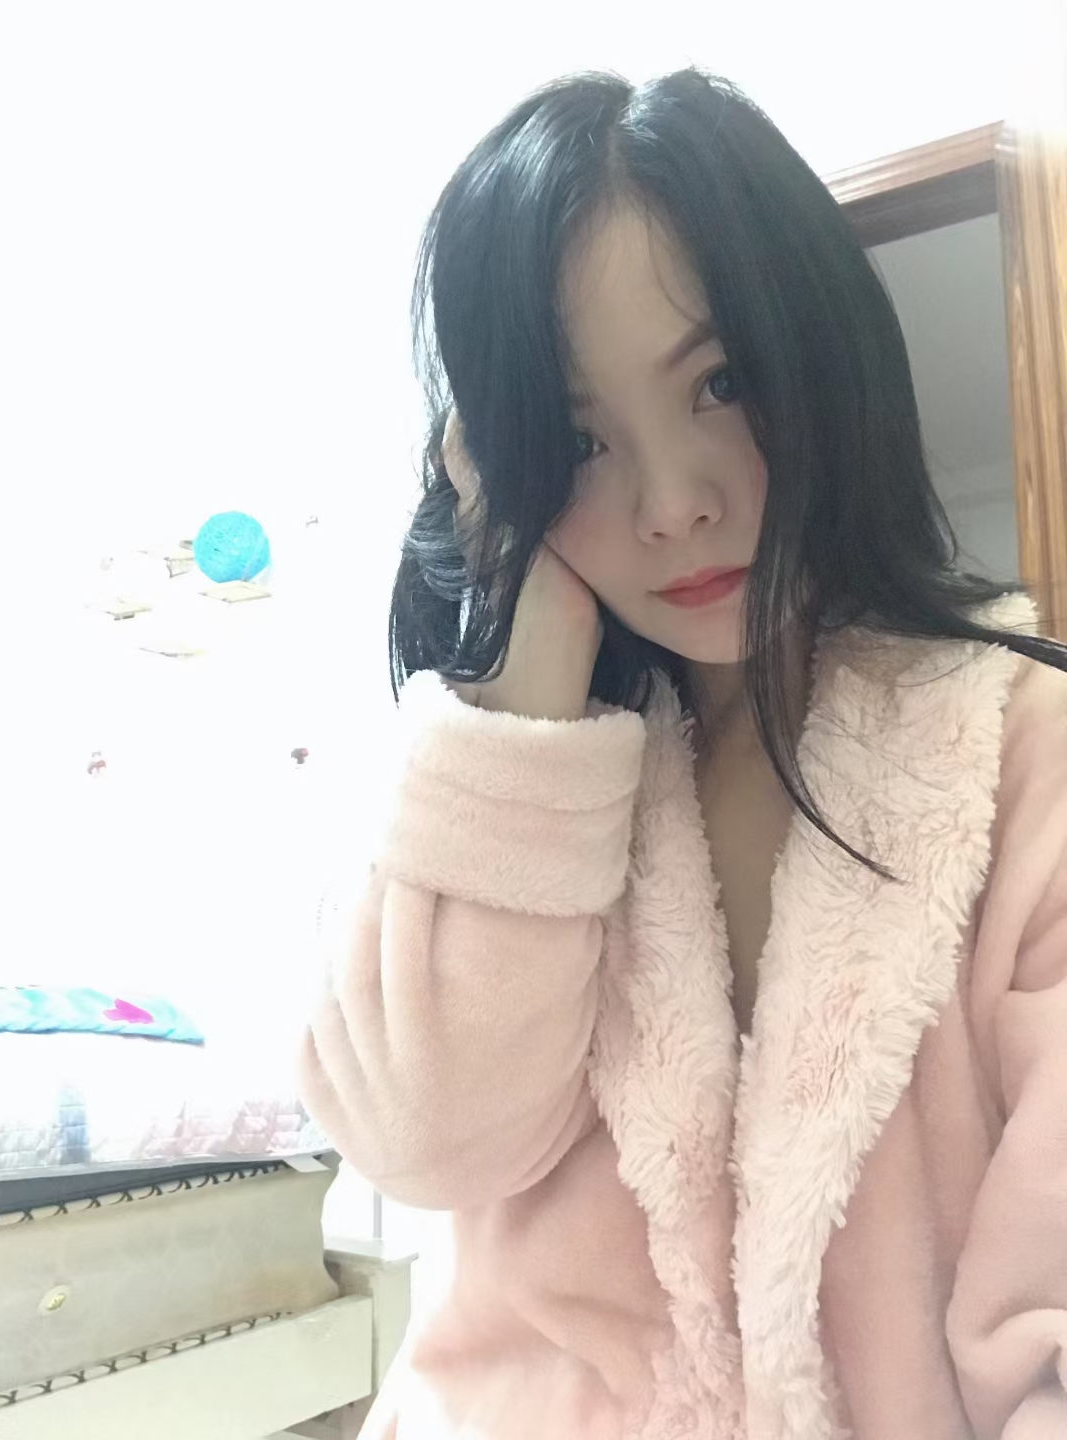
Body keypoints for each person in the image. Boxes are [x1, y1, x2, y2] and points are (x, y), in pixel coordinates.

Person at [299, 66, 1067, 1440]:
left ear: (819, 354)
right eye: (577, 440)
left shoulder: (1028, 762)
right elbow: (427, 1145)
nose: (672, 504)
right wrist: (529, 696)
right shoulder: (498, 779)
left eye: (719, 383)